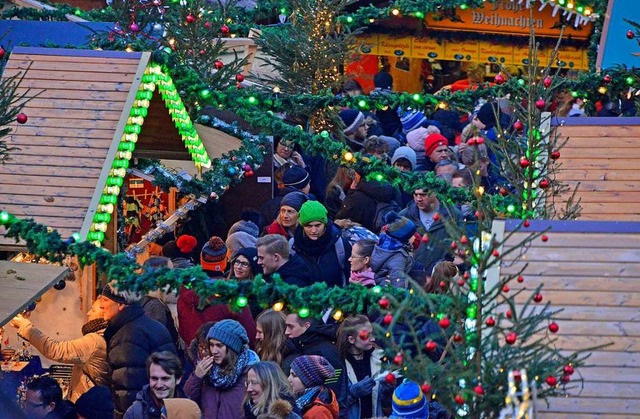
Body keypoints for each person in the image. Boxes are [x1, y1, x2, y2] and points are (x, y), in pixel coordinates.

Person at [99, 282, 177, 417]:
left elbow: (128, 390)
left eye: (105, 300)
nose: (101, 305)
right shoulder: (149, 326)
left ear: (121, 304)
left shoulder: (128, 337)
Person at [10, 299, 109, 402]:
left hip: (87, 404)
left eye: (93, 310)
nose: (88, 313)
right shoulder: (102, 336)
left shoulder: (94, 341)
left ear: (104, 313)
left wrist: (25, 327)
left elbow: (55, 350)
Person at [184, 320, 259, 418]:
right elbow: (187, 404)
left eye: (219, 345)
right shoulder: (206, 371)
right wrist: (196, 377)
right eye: (211, 345)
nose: (214, 351)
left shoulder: (250, 373)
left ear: (232, 348)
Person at [281, 315, 348, 417]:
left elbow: (335, 392)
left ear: (307, 326)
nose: (286, 332)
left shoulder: (325, 351)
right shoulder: (302, 346)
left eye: (291, 327)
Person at [400, 189, 462, 283]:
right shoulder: (405, 216)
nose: (418, 199)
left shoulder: (453, 215)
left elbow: (462, 246)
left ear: (435, 193)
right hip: (410, 278)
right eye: (415, 195)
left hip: (442, 279)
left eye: (423, 195)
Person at [290, 200, 351, 288]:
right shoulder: (293, 246)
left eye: (318, 225)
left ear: (325, 224)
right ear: (302, 226)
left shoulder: (340, 245)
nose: (313, 230)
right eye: (309, 226)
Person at [336, 315, 385, 419]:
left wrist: (388, 389)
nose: (373, 338)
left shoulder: (379, 358)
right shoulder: (338, 364)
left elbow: (385, 401)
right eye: (366, 336)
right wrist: (352, 394)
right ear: (351, 340)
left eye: (372, 333)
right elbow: (334, 404)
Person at [335, 170, 400, 234]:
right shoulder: (392, 190)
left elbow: (342, 217)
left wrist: (351, 192)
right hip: (384, 235)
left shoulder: (358, 196)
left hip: (361, 237)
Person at [124, 351, 186, 418]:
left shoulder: (189, 410)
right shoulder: (134, 413)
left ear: (178, 379)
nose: (159, 385)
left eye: (165, 378)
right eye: (154, 378)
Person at [370, 212, 416, 288]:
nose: (415, 237)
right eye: (412, 235)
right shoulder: (398, 258)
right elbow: (398, 285)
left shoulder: (384, 246)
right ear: (404, 238)